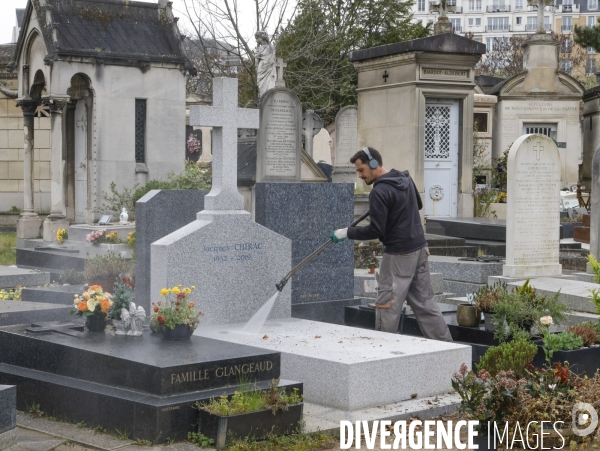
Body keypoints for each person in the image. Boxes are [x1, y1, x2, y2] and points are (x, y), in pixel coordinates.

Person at [330, 147, 452, 342]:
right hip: (420, 249)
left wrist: (346, 232)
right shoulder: (405, 178)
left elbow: (376, 230)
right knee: (426, 303)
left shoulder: (379, 191)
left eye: (361, 170)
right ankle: (449, 350)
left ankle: (382, 352)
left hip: (398, 256)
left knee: (387, 306)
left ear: (373, 164)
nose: (360, 175)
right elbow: (417, 205)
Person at [254, 31, 276, 99]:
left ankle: (269, 99)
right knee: (261, 86)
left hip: (269, 68)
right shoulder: (259, 49)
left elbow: (273, 58)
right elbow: (256, 60)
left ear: (262, 38)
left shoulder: (271, 48)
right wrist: (256, 67)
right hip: (262, 68)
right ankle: (263, 99)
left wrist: (256, 65)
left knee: (270, 85)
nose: (256, 40)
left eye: (257, 38)